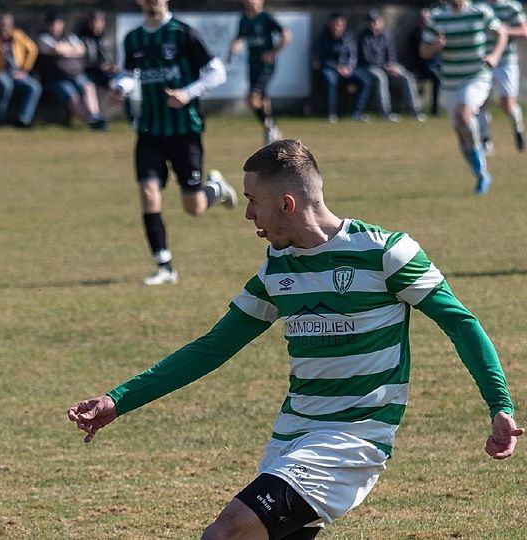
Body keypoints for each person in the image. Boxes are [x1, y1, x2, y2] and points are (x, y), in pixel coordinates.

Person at [68, 139, 522, 539]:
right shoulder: (277, 267)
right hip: (289, 440)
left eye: (252, 201)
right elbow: (212, 348)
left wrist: (499, 405)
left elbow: (461, 324)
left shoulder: (385, 253)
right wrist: (118, 400)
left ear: (286, 204)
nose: (246, 214)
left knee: (224, 534)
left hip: (351, 441)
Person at [109, 0, 237, 286]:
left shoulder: (183, 34)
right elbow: (129, 75)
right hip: (149, 131)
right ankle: (164, 265)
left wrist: (187, 93)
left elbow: (218, 72)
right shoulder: (134, 39)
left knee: (193, 207)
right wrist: (119, 88)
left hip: (184, 132)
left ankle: (215, 188)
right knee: (148, 191)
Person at [422, 0, 508, 194]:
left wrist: (494, 56)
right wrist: (434, 46)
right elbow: (423, 50)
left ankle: (481, 159)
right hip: (451, 80)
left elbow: (501, 33)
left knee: (464, 115)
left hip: (477, 76)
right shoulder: (437, 16)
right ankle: (481, 173)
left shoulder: (481, 11)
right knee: (461, 132)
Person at [227, 0, 292, 145]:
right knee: (260, 99)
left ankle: (271, 127)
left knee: (253, 97)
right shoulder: (243, 19)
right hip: (253, 64)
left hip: (266, 65)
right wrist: (233, 47)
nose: (252, 2)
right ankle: (270, 127)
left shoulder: (266, 18)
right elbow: (240, 37)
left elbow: (286, 35)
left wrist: (274, 51)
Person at [36, 12, 107, 130]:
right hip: (55, 79)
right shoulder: (43, 37)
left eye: (58, 24)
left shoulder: (70, 36)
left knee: (88, 86)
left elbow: (81, 49)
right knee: (72, 94)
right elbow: (56, 49)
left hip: (75, 75)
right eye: (53, 24)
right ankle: (91, 122)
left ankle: (95, 116)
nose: (56, 27)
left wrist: (64, 51)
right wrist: (69, 51)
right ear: (48, 25)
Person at [474, 0, 526, 153]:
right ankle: (485, 140)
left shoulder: (511, 7)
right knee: (481, 103)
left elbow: (524, 30)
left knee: (507, 104)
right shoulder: (478, 7)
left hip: (506, 61)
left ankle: (518, 130)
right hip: (483, 61)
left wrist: (503, 31)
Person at [356, 9, 425, 122]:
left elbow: (391, 54)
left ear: (381, 21)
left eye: (375, 20)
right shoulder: (363, 37)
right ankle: (386, 113)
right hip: (369, 68)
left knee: (406, 76)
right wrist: (384, 67)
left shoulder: (386, 36)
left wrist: (392, 66)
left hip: (387, 67)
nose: (373, 23)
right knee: (381, 77)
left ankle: (415, 111)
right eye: (370, 21)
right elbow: (366, 58)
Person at [0, 13, 41, 128]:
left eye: (7, 25)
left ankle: (24, 120)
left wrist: (25, 70)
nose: (4, 28)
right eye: (2, 25)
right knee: (6, 85)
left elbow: (33, 49)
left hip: (16, 72)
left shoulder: (18, 36)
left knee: (34, 87)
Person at [313, 13, 371, 123]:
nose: (338, 27)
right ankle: (331, 113)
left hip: (347, 69)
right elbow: (321, 58)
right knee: (330, 79)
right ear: (330, 24)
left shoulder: (348, 37)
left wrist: (349, 67)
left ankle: (356, 113)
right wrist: (337, 67)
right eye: (336, 24)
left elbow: (353, 55)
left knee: (365, 80)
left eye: (340, 24)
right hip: (330, 68)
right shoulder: (322, 38)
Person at [404, 8, 442, 116]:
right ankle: (435, 110)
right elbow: (420, 55)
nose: (426, 21)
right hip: (422, 65)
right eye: (424, 19)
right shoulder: (415, 34)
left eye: (428, 19)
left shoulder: (433, 33)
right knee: (437, 78)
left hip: (434, 64)